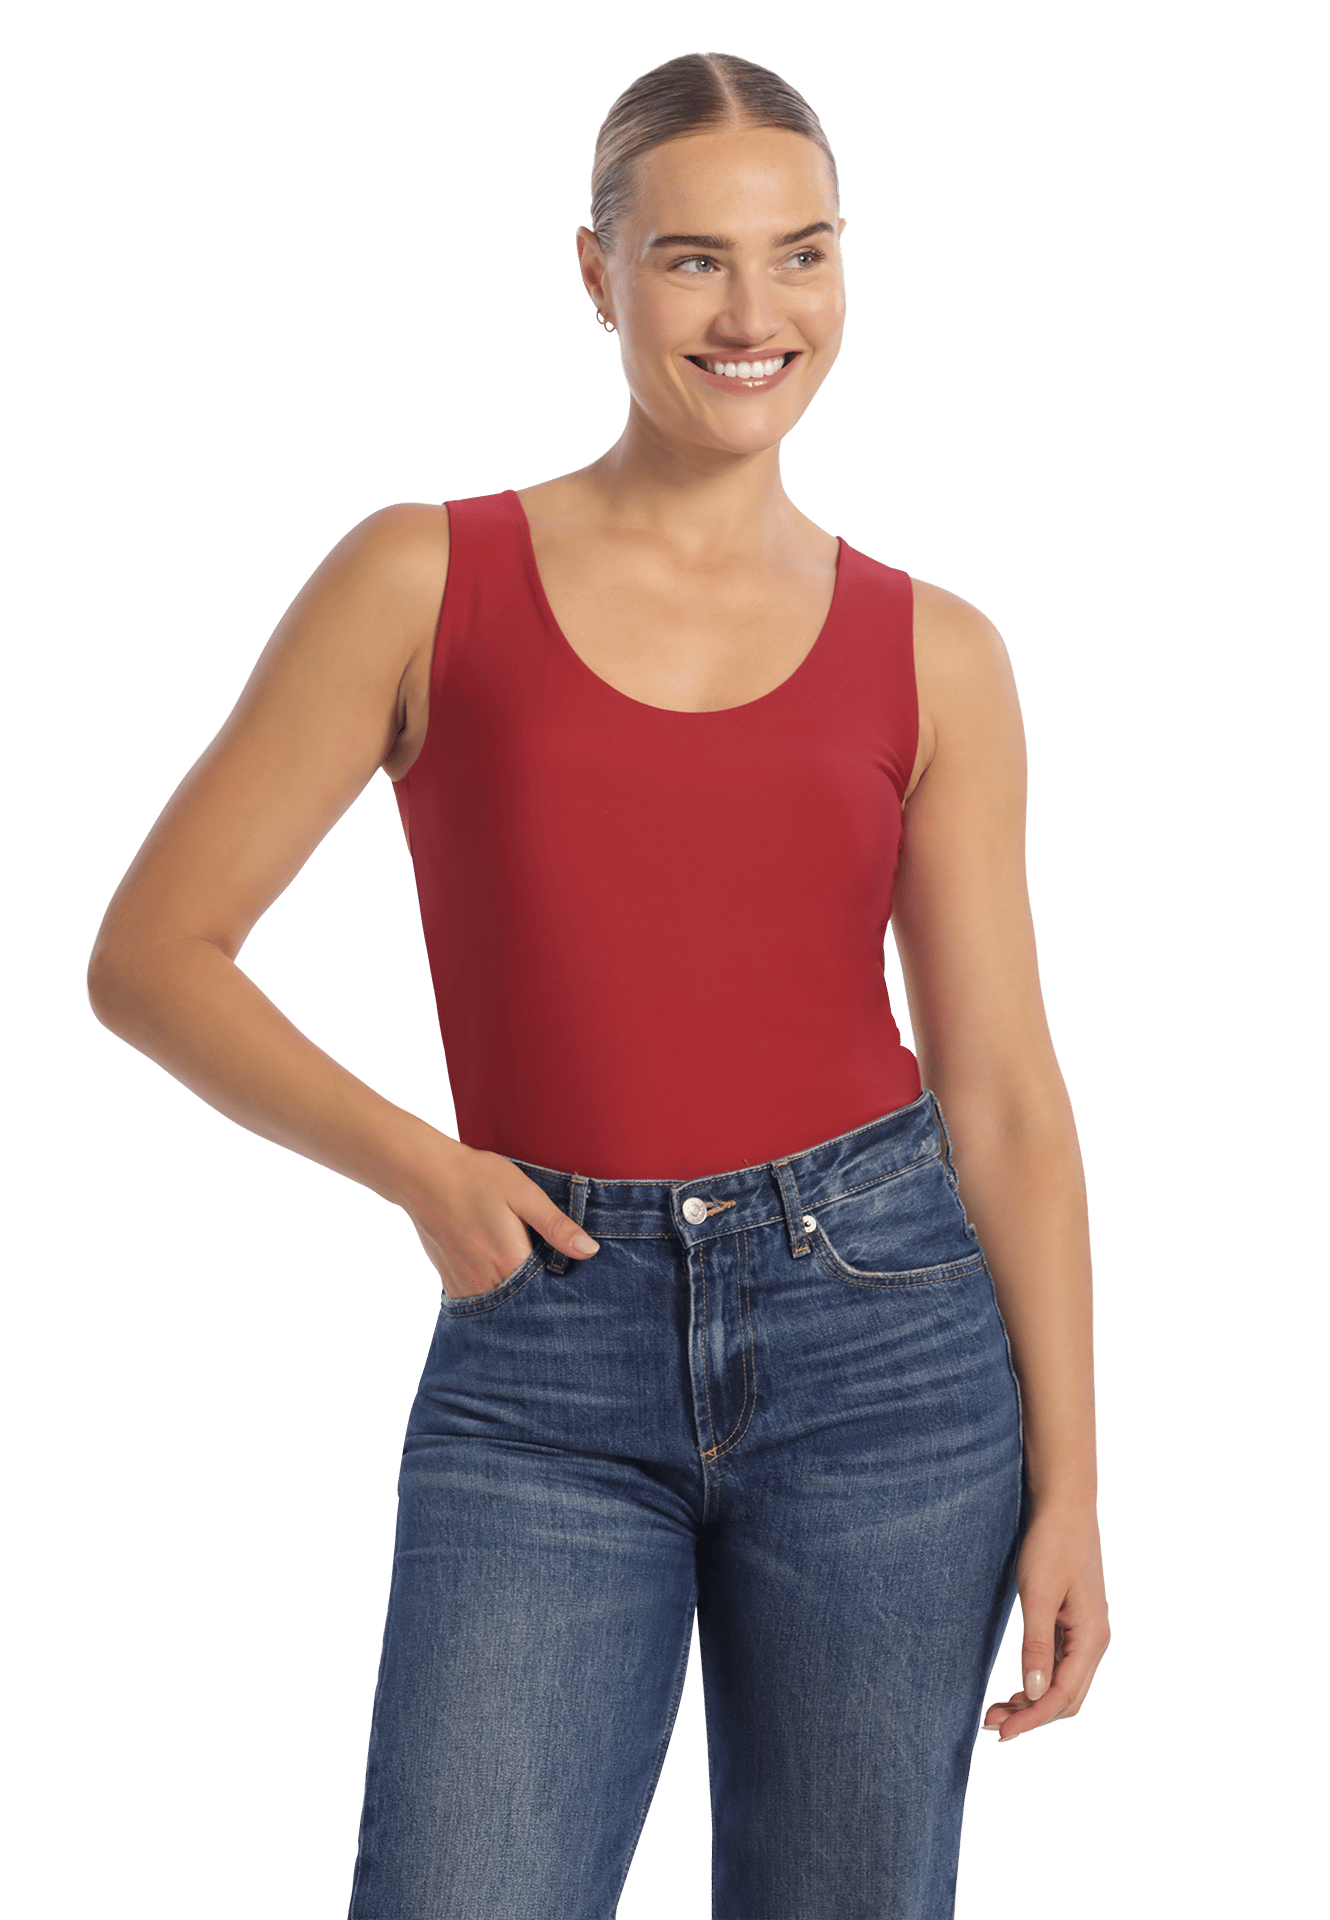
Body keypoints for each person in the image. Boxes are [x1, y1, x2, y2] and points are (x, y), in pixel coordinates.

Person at [86, 48, 1110, 1920]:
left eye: (802, 254)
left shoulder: (939, 651)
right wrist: (422, 1168)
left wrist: (1073, 1493)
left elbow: (1005, 1096)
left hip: (884, 1341)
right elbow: (150, 955)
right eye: (692, 257)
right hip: (542, 1337)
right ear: (595, 270)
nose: (753, 310)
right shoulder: (422, 576)